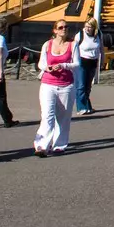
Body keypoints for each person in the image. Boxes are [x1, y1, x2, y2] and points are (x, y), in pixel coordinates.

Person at [33, 19, 78, 156]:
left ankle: (59, 144)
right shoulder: (47, 44)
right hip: (48, 84)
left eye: (66, 27)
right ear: (55, 30)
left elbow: (77, 63)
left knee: (63, 117)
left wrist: (64, 65)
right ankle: (41, 145)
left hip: (66, 85)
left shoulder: (73, 45)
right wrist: (47, 67)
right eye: (60, 27)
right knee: (47, 115)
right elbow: (41, 63)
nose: (64, 29)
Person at [74, 20, 103, 115]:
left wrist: (102, 60)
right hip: (82, 62)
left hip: (93, 62)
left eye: (90, 27)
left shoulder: (98, 34)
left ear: (94, 27)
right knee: (81, 86)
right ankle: (81, 107)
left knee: (88, 86)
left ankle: (87, 105)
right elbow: (73, 48)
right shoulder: (80, 35)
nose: (87, 29)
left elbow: (101, 48)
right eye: (86, 26)